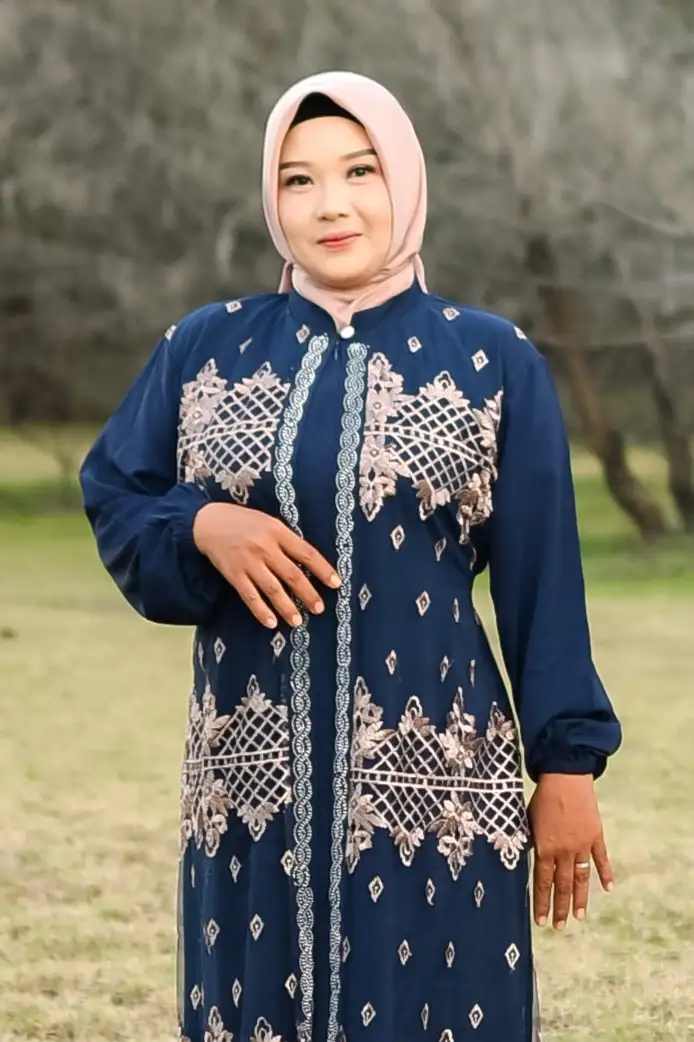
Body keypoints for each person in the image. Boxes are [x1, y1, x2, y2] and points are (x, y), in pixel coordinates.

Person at [80, 71, 622, 1042]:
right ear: (271, 198)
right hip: (253, 790)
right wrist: (202, 524)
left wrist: (567, 766)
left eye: (359, 171)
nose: (330, 204)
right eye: (298, 180)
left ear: (403, 179)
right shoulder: (206, 351)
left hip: (433, 789)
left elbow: (544, 581)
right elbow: (115, 495)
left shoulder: (492, 361)